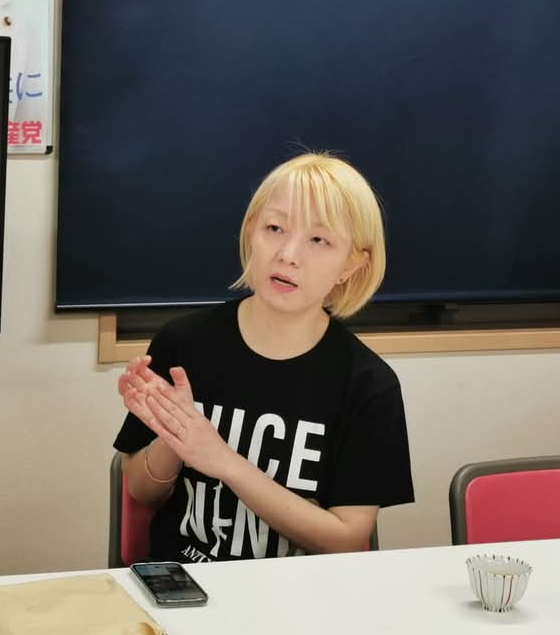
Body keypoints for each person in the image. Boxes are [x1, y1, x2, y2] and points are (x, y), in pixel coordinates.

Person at [114, 152, 414, 563]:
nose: (288, 254)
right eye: (275, 228)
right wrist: (174, 437)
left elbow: (346, 538)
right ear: (251, 231)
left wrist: (224, 462)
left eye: (318, 240)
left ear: (351, 264)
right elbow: (141, 492)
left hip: (300, 594)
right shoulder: (182, 343)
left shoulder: (368, 384)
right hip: (186, 581)